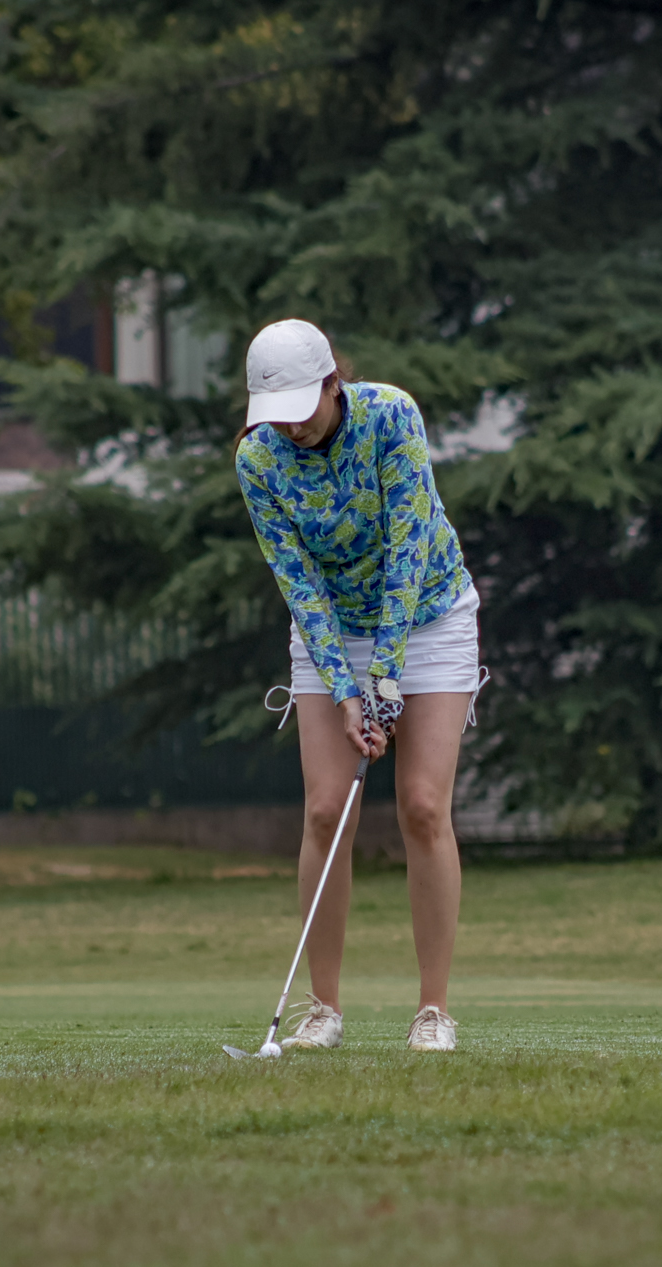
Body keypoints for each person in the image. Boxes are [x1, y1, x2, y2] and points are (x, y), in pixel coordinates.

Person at [236, 318, 483, 1053]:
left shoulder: (391, 416)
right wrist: (348, 692)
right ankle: (323, 1009)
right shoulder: (258, 460)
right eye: (276, 413)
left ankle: (433, 1009)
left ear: (332, 383)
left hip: (429, 615)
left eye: (301, 409)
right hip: (332, 631)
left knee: (422, 807)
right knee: (324, 812)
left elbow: (409, 545)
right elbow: (299, 584)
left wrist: (386, 676)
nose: (291, 427)